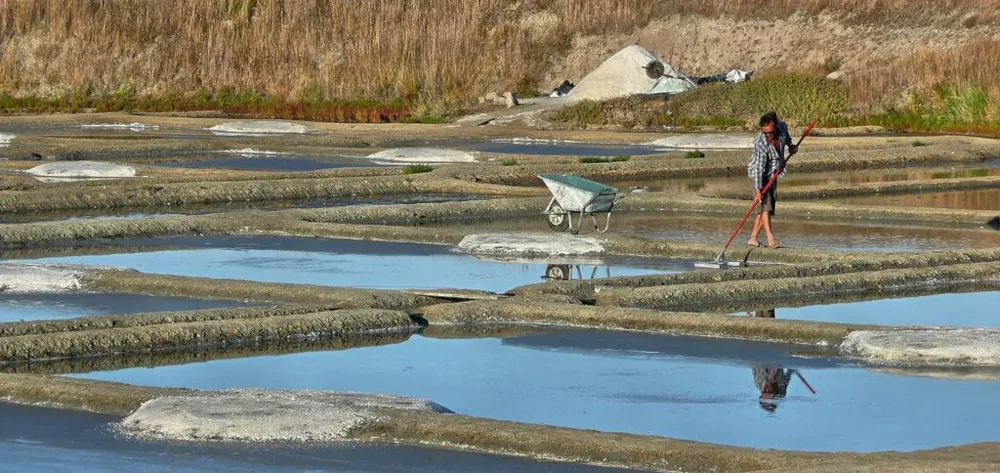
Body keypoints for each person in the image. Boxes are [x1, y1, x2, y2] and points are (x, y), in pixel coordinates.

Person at [747, 112, 798, 249]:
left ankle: (753, 238)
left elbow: (786, 139)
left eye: (770, 132)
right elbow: (758, 168)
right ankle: (770, 238)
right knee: (765, 207)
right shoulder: (761, 142)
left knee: (766, 207)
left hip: (772, 173)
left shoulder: (782, 128)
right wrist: (758, 190)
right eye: (765, 133)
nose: (768, 136)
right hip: (758, 175)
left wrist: (791, 146)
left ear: (775, 126)